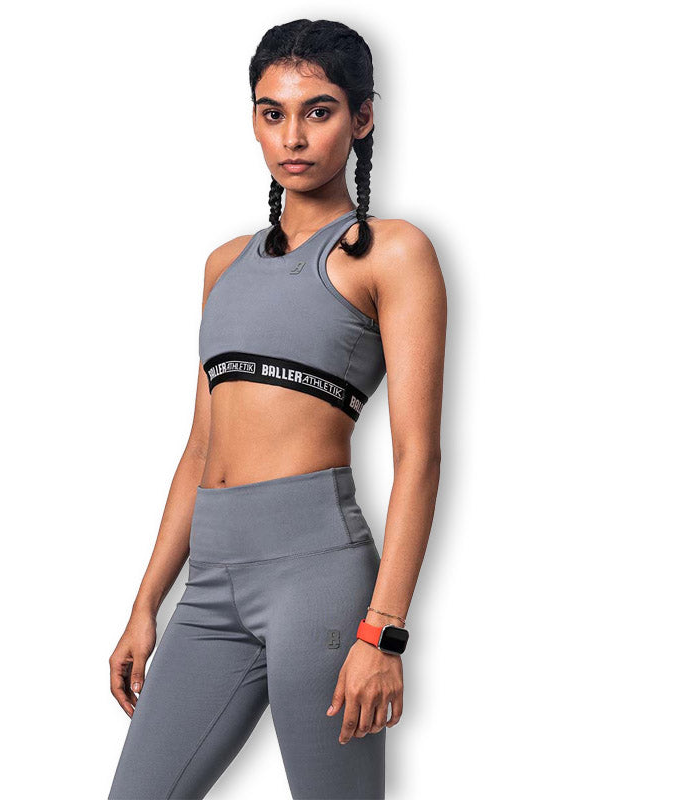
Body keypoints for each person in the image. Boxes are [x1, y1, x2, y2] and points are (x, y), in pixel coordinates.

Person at [107, 18, 446, 800]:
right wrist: (145, 605)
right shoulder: (223, 265)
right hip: (210, 582)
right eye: (273, 113)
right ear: (255, 121)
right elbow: (201, 449)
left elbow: (418, 455)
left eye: (318, 111)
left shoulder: (392, 253)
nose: (293, 136)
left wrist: (383, 631)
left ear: (362, 118)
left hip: (317, 578)